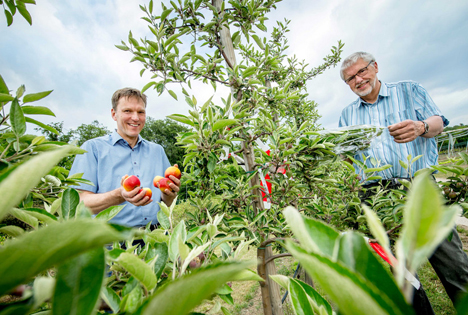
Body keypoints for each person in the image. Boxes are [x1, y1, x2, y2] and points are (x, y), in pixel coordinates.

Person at [338, 52, 468, 314]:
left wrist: (420, 127)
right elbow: (347, 159)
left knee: (452, 262)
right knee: (403, 273)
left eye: (361, 72)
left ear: (375, 67)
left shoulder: (409, 91)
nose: (358, 80)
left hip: (419, 187)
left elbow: (438, 122)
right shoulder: (347, 115)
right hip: (378, 196)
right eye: (350, 78)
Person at [69, 87, 180, 229]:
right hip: (110, 241)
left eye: (141, 112)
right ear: (114, 114)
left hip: (154, 237)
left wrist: (170, 193)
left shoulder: (157, 151)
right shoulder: (93, 148)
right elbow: (79, 204)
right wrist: (119, 195)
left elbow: (166, 202)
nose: (135, 117)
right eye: (127, 111)